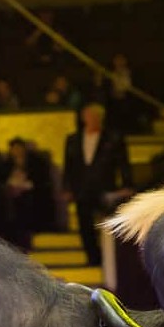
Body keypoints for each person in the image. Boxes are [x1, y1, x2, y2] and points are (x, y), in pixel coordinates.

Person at [63, 103, 134, 265]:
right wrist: (67, 188)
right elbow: (68, 166)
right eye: (89, 116)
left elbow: (123, 164)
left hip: (105, 188)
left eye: (95, 116)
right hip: (81, 188)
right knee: (85, 225)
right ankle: (92, 258)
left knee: (107, 225)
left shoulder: (113, 138)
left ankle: (108, 259)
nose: (92, 120)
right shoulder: (73, 140)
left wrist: (127, 185)